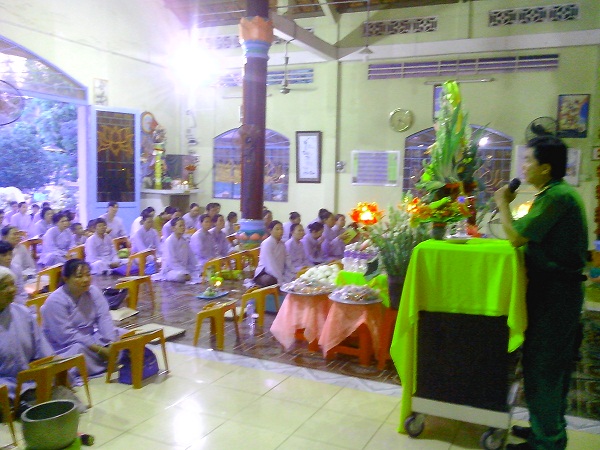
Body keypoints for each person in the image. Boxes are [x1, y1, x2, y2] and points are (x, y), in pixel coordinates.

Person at [494, 136, 588, 450]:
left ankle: (548, 441)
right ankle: (542, 428)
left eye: (529, 161)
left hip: (556, 296)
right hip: (549, 292)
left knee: (546, 367)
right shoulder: (551, 194)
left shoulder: (558, 196)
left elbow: (517, 237)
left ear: (546, 168)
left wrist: (501, 205)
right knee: (538, 364)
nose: (524, 166)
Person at [41, 259, 120, 376]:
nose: (86, 279)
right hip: (65, 346)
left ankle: (111, 356)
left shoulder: (93, 291)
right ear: (66, 279)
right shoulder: (55, 301)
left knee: (121, 334)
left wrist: (111, 343)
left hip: (91, 337)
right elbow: (66, 335)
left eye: (88, 274)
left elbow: (104, 317)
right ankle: (105, 362)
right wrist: (99, 349)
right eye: (79, 276)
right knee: (78, 352)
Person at [0, 266, 53, 400]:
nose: (12, 290)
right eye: (5, 287)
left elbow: (42, 348)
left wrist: (52, 363)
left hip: (29, 376)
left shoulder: (22, 312)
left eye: (13, 284)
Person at [254, 220, 293, 287]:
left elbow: (287, 259)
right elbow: (270, 264)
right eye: (277, 229)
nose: (280, 231)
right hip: (265, 272)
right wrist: (279, 279)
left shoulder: (282, 244)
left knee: (292, 277)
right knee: (270, 280)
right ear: (270, 231)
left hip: (279, 271)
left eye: (281, 229)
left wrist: (293, 271)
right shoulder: (267, 243)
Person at [160, 217, 197, 282]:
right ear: (173, 228)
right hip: (171, 270)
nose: (183, 227)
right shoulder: (169, 241)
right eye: (180, 226)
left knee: (198, 272)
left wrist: (197, 267)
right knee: (180, 276)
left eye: (184, 225)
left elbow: (191, 257)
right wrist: (184, 271)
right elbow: (172, 261)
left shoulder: (184, 240)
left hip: (184, 268)